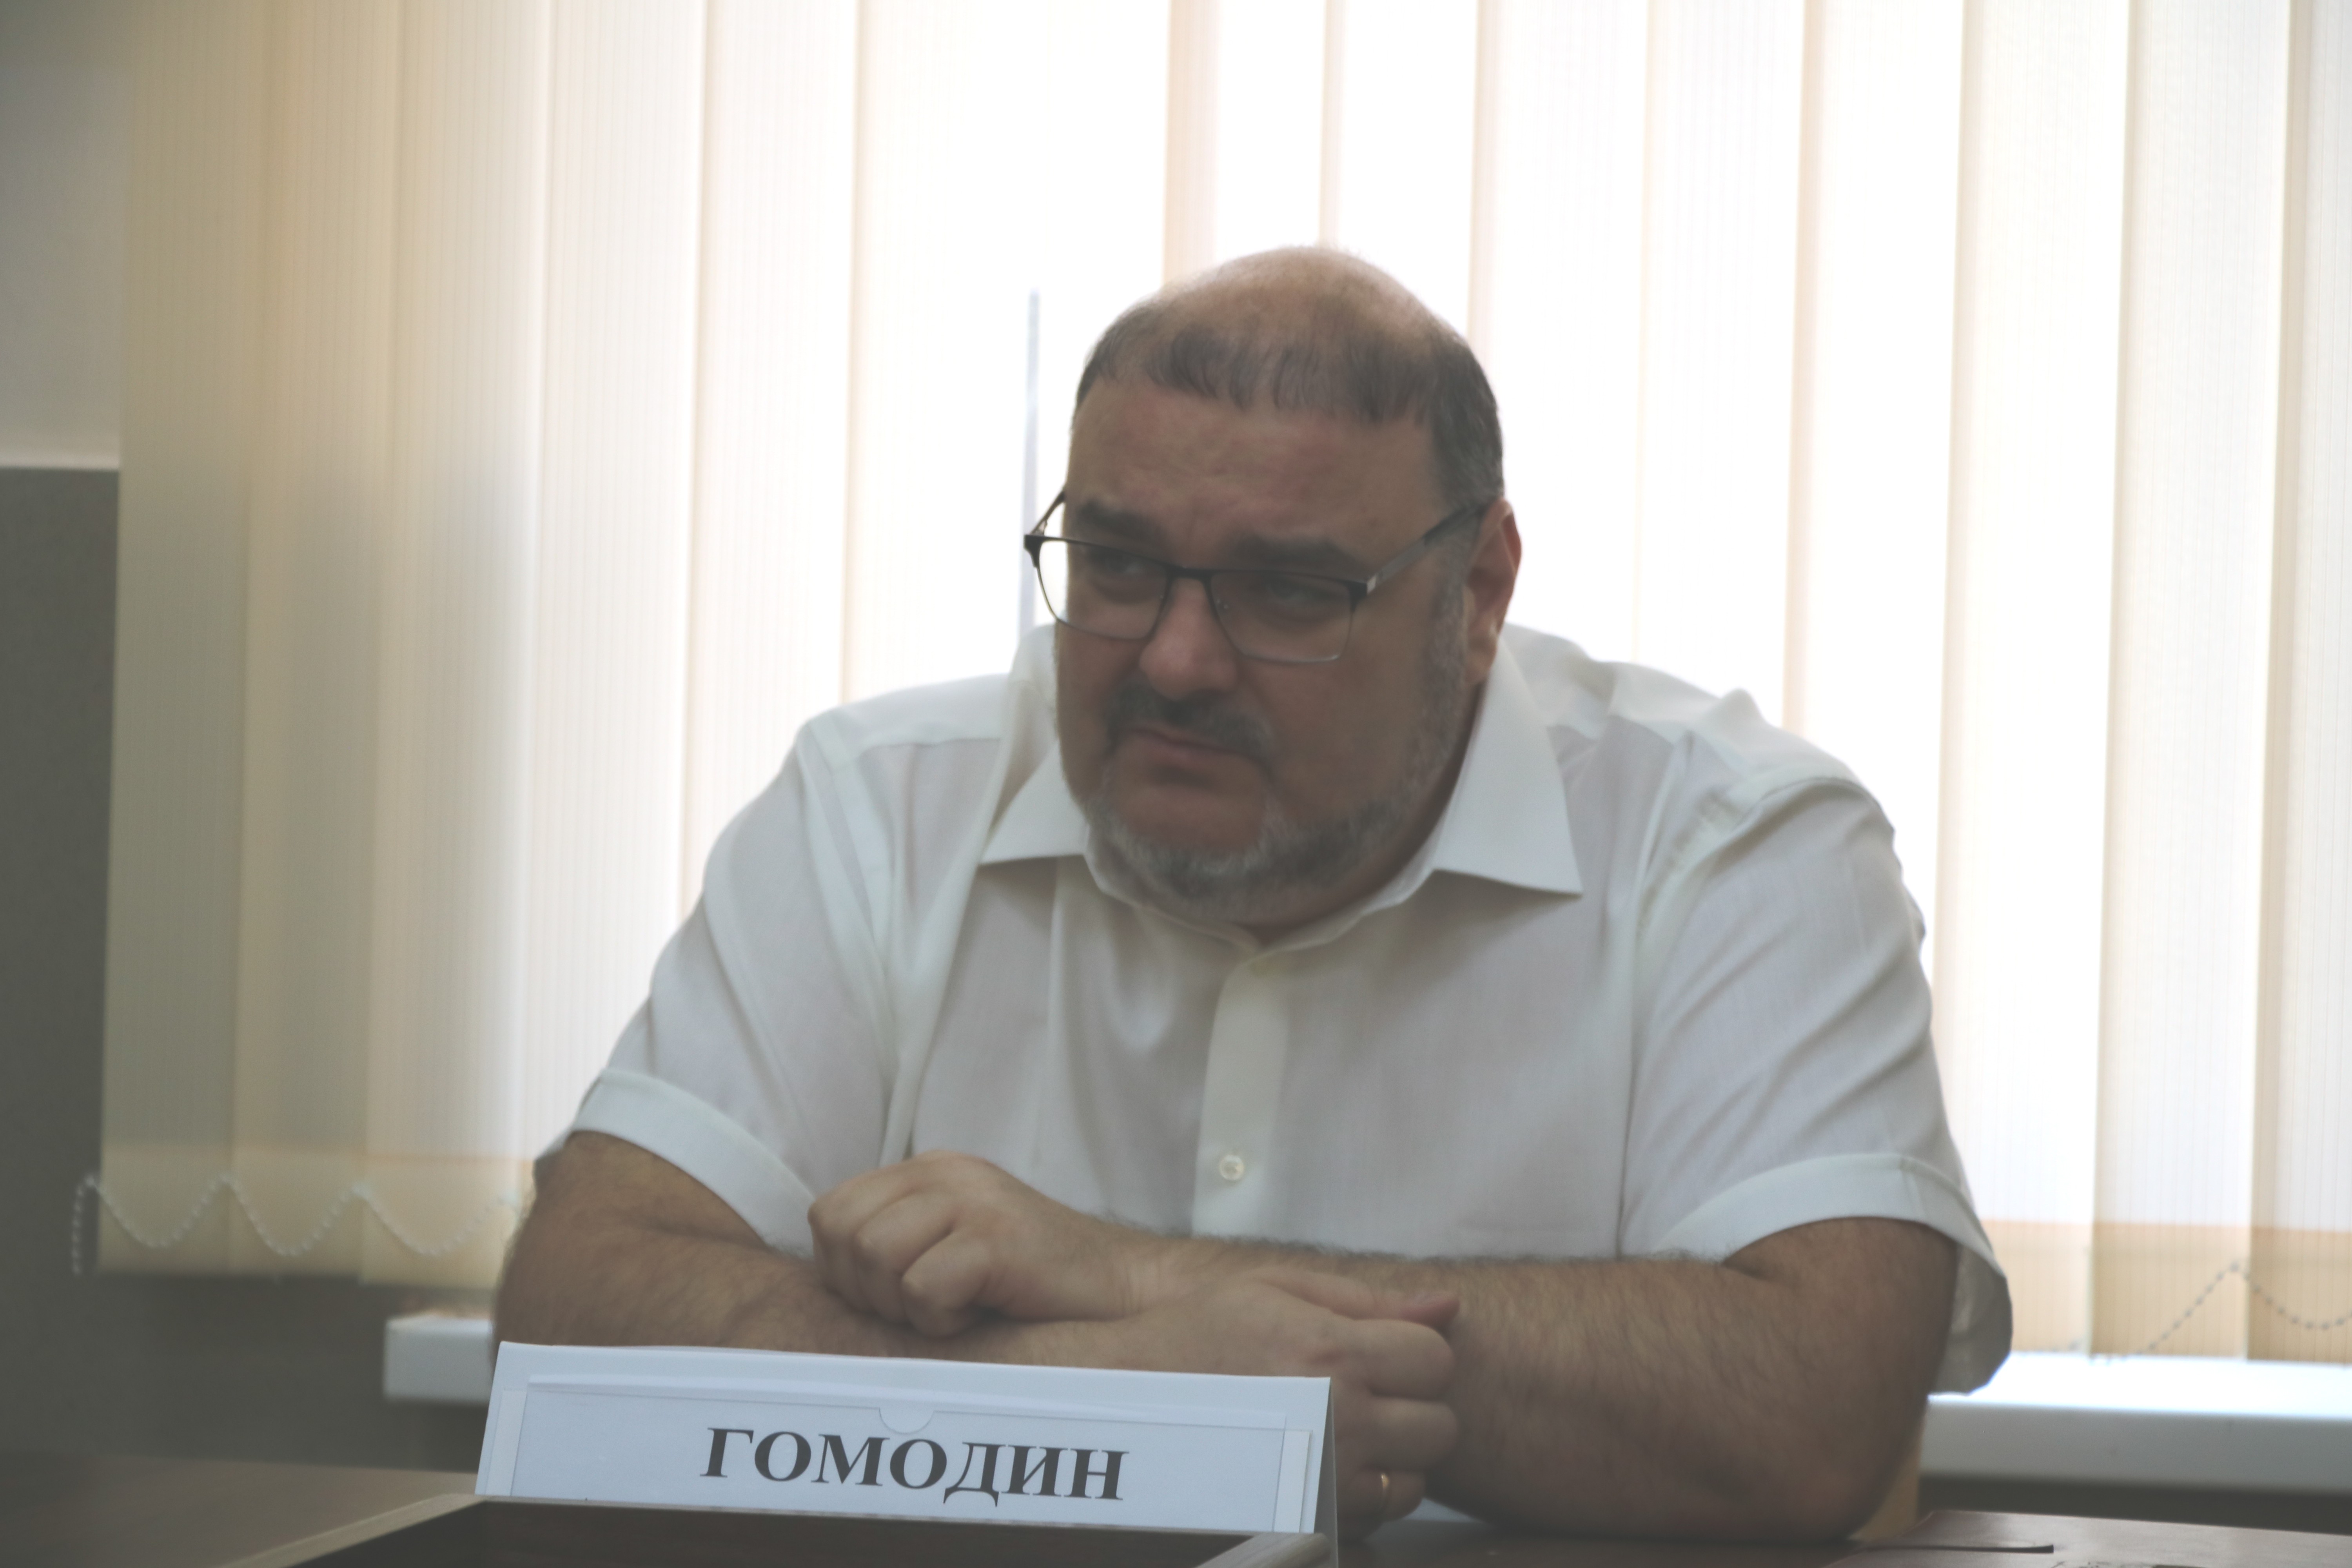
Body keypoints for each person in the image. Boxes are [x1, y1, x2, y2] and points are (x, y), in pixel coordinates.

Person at [495, 248, 2009, 1542]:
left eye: (1288, 590)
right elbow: (573, 1310)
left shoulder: (1736, 843)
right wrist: (1109, 1380)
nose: (1174, 660)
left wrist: (1121, 1266)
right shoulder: (880, 804)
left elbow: (1817, 1407)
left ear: (1479, 595)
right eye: (1118, 564)